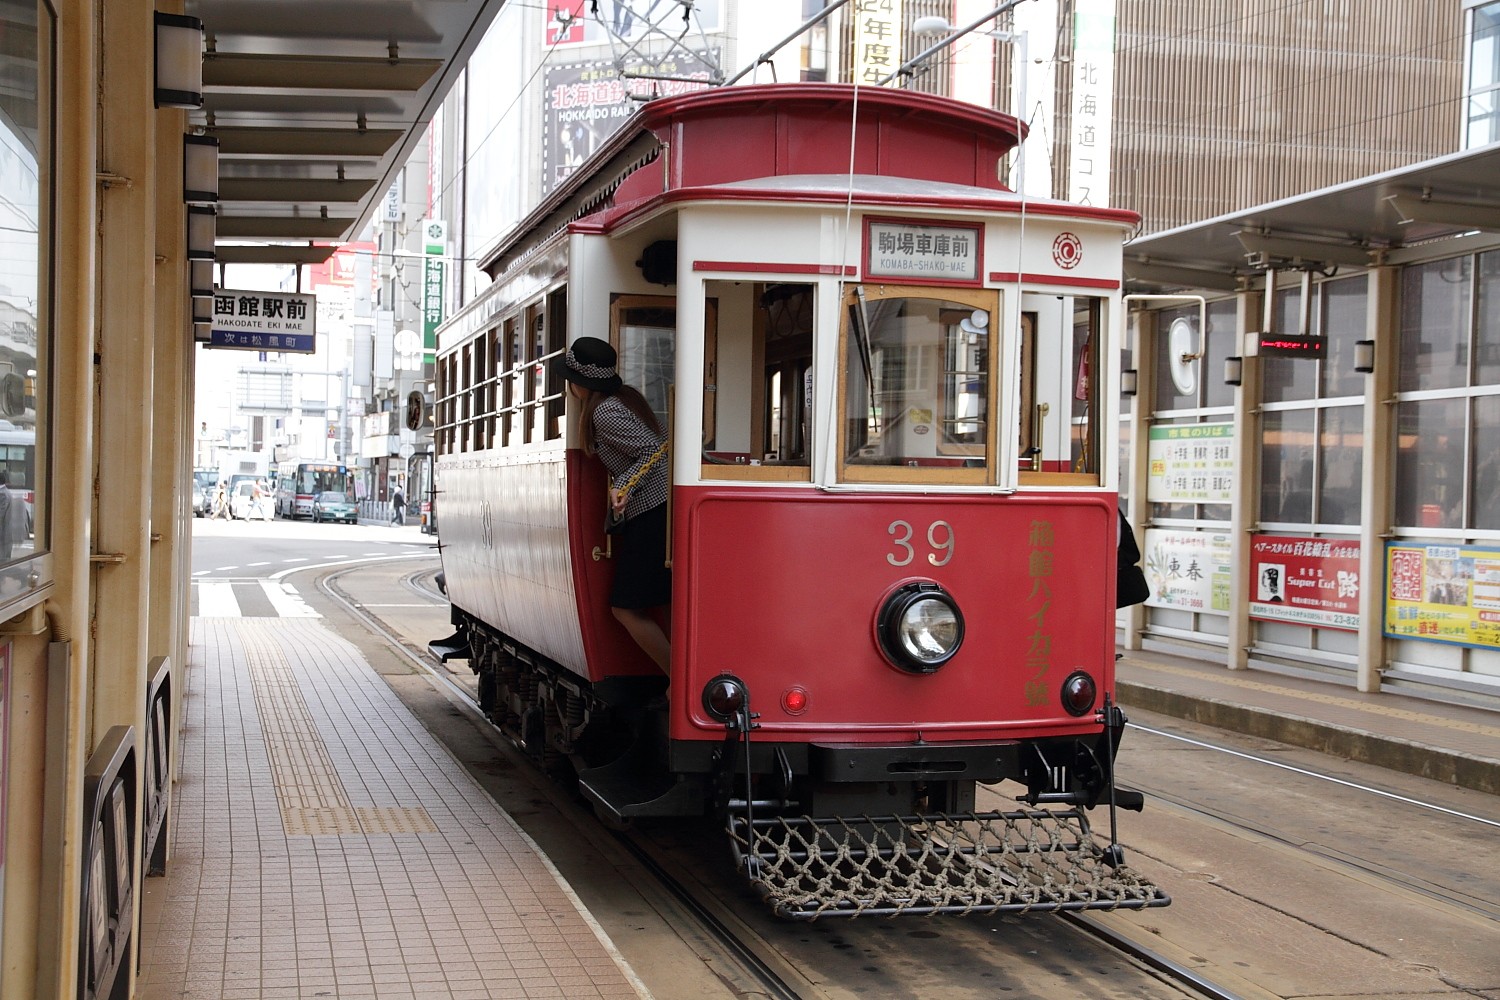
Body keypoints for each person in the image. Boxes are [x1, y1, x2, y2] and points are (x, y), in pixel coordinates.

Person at [554, 336, 671, 672]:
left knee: (625, 607)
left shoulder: (604, 412)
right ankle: (682, 679)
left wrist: (623, 485)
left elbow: (651, 450)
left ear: (580, 384)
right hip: (660, 511)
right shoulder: (626, 399)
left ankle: (677, 681)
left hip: (651, 513)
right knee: (664, 602)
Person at [0, 471, 28, 560]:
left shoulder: (2, 494)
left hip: (3, 535)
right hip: (5, 536)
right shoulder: (5, 492)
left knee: (3, 560)